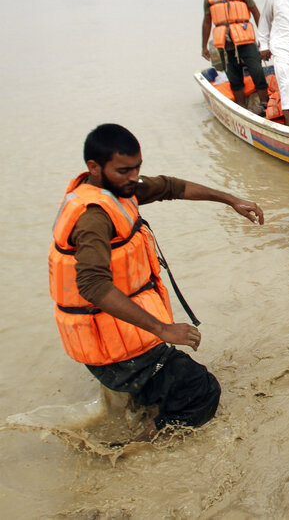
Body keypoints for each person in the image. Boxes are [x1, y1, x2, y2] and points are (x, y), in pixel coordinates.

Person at [49, 124, 264, 439]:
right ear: (94, 168)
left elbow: (171, 187)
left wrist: (231, 200)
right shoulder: (94, 216)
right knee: (201, 390)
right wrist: (164, 330)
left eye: (137, 168)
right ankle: (135, 448)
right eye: (124, 170)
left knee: (170, 384)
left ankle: (140, 405)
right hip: (112, 344)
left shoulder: (120, 189)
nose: (134, 176)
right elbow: (93, 286)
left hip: (119, 332)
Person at [201, 0, 269, 113]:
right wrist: (204, 46)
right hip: (225, 45)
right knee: (234, 78)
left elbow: (256, 12)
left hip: (245, 40)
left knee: (257, 71)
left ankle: (265, 105)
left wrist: (264, 40)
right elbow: (206, 22)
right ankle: (242, 108)